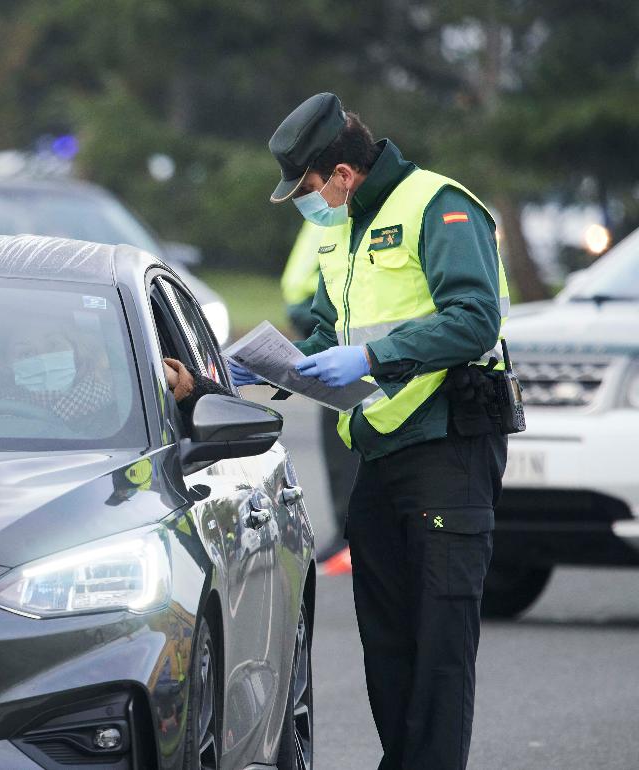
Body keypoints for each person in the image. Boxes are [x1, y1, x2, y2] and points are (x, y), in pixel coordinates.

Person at [234, 92, 510, 770]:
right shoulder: (342, 227)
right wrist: (256, 369)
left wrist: (371, 358)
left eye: (306, 188)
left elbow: (476, 318)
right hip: (377, 452)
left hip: (447, 445)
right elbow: (331, 329)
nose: (306, 202)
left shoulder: (439, 206)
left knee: (440, 646)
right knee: (388, 648)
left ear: (343, 173)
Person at [281, 219, 360, 567]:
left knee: (349, 445)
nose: (307, 194)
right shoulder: (325, 213)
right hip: (320, 322)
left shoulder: (348, 211)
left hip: (352, 338)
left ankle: (353, 535)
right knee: (335, 441)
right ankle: (345, 532)